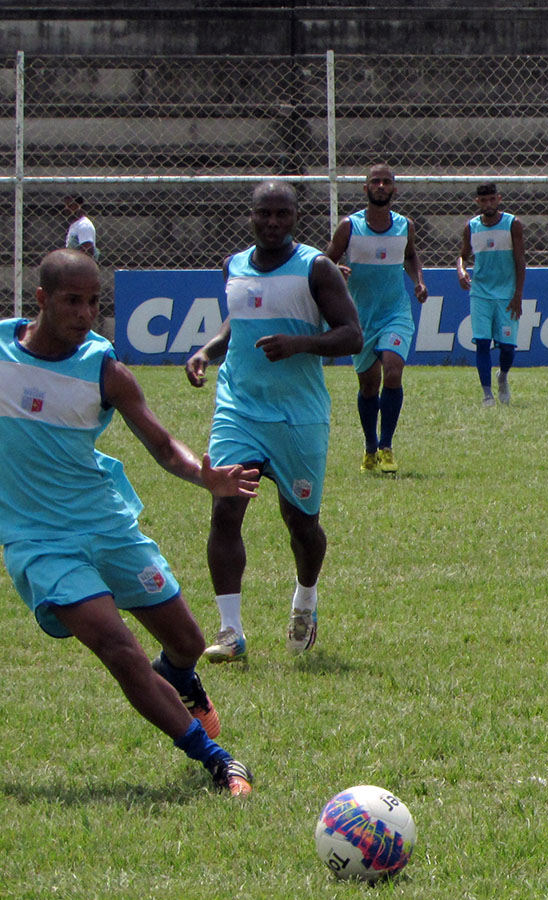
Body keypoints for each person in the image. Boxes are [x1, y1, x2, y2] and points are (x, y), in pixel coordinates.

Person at [0, 249, 258, 794]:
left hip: (108, 527)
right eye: (72, 301)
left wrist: (202, 475)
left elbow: (163, 446)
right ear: (42, 299)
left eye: (94, 301)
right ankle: (217, 761)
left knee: (186, 643)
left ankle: (179, 681)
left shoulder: (105, 369)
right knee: (119, 649)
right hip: (40, 543)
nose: (84, 312)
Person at [185, 180, 362, 662]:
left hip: (297, 417)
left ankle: (305, 600)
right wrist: (207, 351)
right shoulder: (233, 265)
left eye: (282, 214)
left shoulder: (317, 268)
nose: (272, 223)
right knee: (225, 509)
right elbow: (238, 322)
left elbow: (352, 336)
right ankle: (229, 631)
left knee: (301, 522)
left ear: (294, 218)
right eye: (264, 214)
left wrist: (299, 344)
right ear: (251, 215)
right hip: (239, 408)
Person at [324, 164, 428, 475]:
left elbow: (410, 255)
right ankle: (370, 447)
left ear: (395, 189)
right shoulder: (349, 227)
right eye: (375, 182)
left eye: (387, 182)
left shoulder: (404, 226)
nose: (381, 186)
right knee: (368, 386)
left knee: (393, 371)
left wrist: (418, 281)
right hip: (360, 316)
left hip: (395, 312)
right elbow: (323, 262)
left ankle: (386, 445)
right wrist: (335, 270)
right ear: (365, 189)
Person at [456, 183, 525, 407]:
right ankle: (487, 395)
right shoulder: (471, 227)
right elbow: (462, 255)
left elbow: (520, 261)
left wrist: (518, 295)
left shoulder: (512, 224)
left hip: (506, 294)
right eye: (483, 201)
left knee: (507, 347)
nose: (488, 204)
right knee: (482, 343)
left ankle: (502, 376)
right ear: (478, 202)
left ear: (498, 199)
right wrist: (461, 270)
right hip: (481, 293)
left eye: (492, 200)